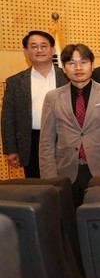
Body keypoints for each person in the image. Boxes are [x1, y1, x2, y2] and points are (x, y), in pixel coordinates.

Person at [39, 44, 100, 205]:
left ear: (92, 66)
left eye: (83, 62)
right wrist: (49, 175)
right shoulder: (52, 97)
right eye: (71, 63)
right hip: (65, 171)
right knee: (67, 216)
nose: (78, 68)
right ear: (64, 68)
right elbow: (46, 140)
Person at [2, 31, 69, 178]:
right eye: (34, 46)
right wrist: (11, 149)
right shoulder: (15, 82)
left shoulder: (67, 77)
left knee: (66, 183)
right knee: (37, 185)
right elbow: (8, 118)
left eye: (44, 46)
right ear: (26, 52)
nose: (39, 50)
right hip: (31, 141)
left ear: (53, 49)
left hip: (64, 139)